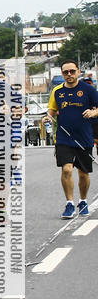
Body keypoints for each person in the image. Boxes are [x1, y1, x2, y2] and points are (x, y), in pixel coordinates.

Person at [43, 59, 98, 219]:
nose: (69, 74)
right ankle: (69, 203)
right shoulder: (57, 91)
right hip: (64, 137)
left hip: (84, 138)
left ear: (78, 71)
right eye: (65, 72)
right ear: (62, 74)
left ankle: (83, 201)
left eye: (72, 71)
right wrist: (47, 118)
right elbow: (51, 110)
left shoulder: (88, 89)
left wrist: (93, 112)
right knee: (66, 169)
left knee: (83, 173)